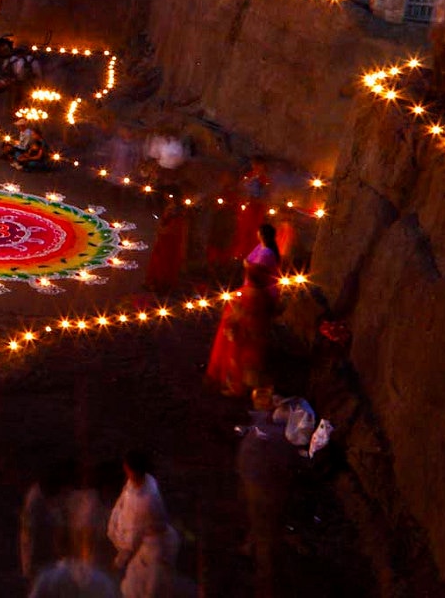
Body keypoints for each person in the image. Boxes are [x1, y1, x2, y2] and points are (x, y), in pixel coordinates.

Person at [237, 387, 299, 598]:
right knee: (268, 535)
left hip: (254, 481)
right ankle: (266, 584)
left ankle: (252, 548)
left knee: (259, 521)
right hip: (268, 488)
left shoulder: (261, 430)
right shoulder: (283, 438)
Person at [206, 240, 281, 397]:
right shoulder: (257, 294)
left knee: (242, 359)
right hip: (252, 335)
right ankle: (243, 385)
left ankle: (239, 387)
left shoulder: (252, 296)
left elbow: (246, 315)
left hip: (247, 336)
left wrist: (233, 322)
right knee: (249, 360)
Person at [106, 449, 180, 598]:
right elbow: (123, 503)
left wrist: (119, 562)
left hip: (151, 553)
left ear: (129, 469)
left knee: (143, 590)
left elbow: (133, 541)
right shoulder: (142, 480)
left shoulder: (146, 501)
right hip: (145, 548)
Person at [21, 460, 73, 580]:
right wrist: (28, 567)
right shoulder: (34, 502)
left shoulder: (55, 498)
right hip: (40, 562)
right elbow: (28, 537)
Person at [143, 203, 188, 294]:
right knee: (158, 263)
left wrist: (161, 229)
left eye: (170, 210)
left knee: (165, 265)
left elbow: (169, 232)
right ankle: (156, 281)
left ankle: (163, 284)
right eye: (167, 210)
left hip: (170, 247)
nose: (168, 211)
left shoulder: (178, 221)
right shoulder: (169, 218)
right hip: (162, 245)